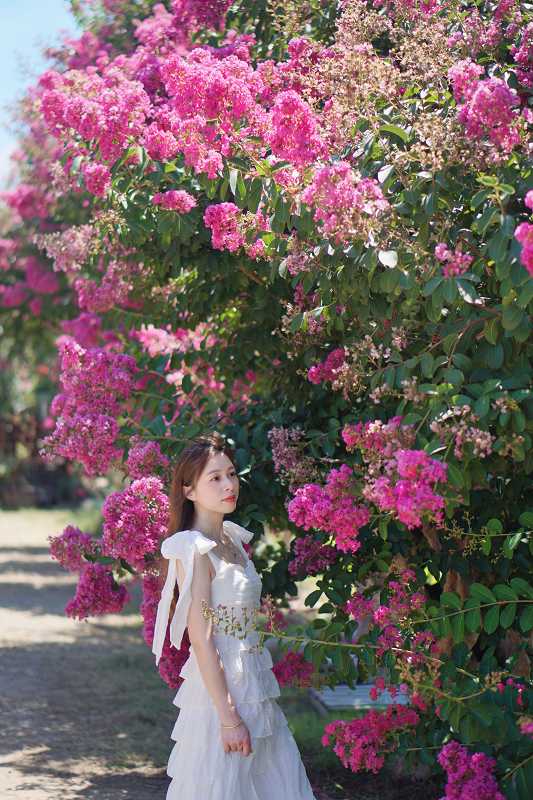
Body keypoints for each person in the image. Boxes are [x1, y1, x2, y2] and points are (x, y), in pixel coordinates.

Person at [152, 431, 318, 799]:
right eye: (215, 477)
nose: (229, 484)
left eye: (231, 474)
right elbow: (201, 636)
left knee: (272, 781)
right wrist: (228, 719)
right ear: (189, 490)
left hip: (255, 680)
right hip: (222, 690)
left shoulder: (231, 540)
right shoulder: (194, 550)